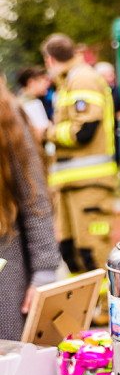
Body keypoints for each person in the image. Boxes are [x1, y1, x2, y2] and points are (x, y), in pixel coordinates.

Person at [41, 33, 116, 278]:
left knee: (92, 252)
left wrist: (47, 133)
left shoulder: (82, 79)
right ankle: (87, 310)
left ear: (49, 60)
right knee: (71, 252)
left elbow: (85, 131)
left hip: (90, 184)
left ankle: (105, 311)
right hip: (70, 183)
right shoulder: (69, 81)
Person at [0, 78, 61, 341]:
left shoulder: (6, 114)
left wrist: (44, 271)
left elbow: (33, 196)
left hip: (6, 261)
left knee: (10, 358)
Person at [15, 65, 52, 142]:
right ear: (31, 82)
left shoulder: (21, 102)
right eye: (43, 80)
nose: (47, 84)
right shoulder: (30, 104)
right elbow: (39, 134)